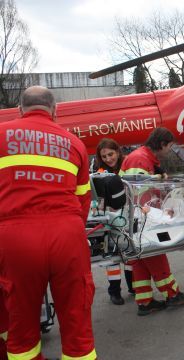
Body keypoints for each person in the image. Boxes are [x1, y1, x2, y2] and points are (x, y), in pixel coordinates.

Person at [0, 86, 97, 359]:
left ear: (19, 110)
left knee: (21, 324)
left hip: (15, 237)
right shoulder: (74, 143)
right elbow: (83, 201)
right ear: (55, 111)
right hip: (67, 233)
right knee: (77, 319)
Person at [120, 127, 184, 316]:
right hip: (143, 219)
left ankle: (144, 301)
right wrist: (160, 213)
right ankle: (172, 294)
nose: (170, 150)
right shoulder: (140, 159)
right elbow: (139, 194)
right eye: (169, 146)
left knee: (140, 261)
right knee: (156, 255)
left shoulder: (142, 157)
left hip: (134, 219)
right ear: (162, 144)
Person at [95, 138, 134, 305]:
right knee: (112, 255)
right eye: (104, 156)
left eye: (110, 154)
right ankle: (115, 291)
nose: (108, 159)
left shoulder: (127, 166)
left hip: (129, 214)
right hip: (109, 216)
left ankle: (134, 286)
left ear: (118, 152)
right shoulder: (99, 171)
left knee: (131, 253)